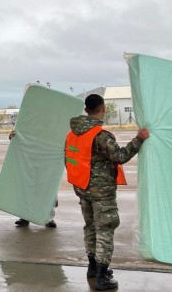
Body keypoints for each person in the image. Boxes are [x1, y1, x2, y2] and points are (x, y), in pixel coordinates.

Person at [65, 94, 149, 291]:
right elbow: (120, 156)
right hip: (101, 192)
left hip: (82, 188)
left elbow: (68, 159)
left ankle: (93, 267)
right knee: (105, 229)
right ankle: (102, 276)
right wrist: (139, 139)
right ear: (102, 110)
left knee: (90, 227)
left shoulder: (71, 134)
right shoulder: (100, 135)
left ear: (86, 110)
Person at [8, 130, 57, 228]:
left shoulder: (51, 125)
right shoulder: (29, 123)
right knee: (26, 189)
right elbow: (19, 137)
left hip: (47, 161)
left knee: (46, 190)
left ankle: (48, 218)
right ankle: (24, 217)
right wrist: (13, 136)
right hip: (28, 160)